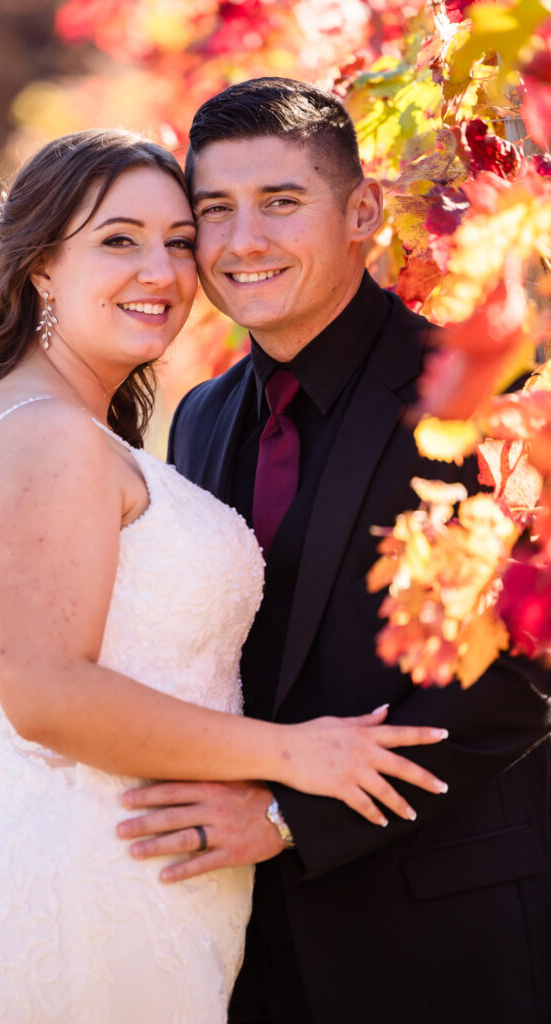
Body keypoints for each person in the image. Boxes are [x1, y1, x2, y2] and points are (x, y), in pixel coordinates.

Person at [0, 128, 449, 1023]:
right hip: (113, 888)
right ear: (41, 265)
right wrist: (292, 755)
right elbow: (38, 691)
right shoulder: (51, 437)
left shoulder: (35, 421)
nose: (161, 273)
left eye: (175, 240)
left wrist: (25, 758)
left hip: (132, 864)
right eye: (117, 240)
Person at [107, 80, 551, 1024]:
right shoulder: (202, 416)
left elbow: (525, 678)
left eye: (279, 202)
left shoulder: (489, 391)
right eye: (213, 211)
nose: (241, 242)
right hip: (243, 944)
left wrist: (284, 818)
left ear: (361, 212)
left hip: (444, 937)